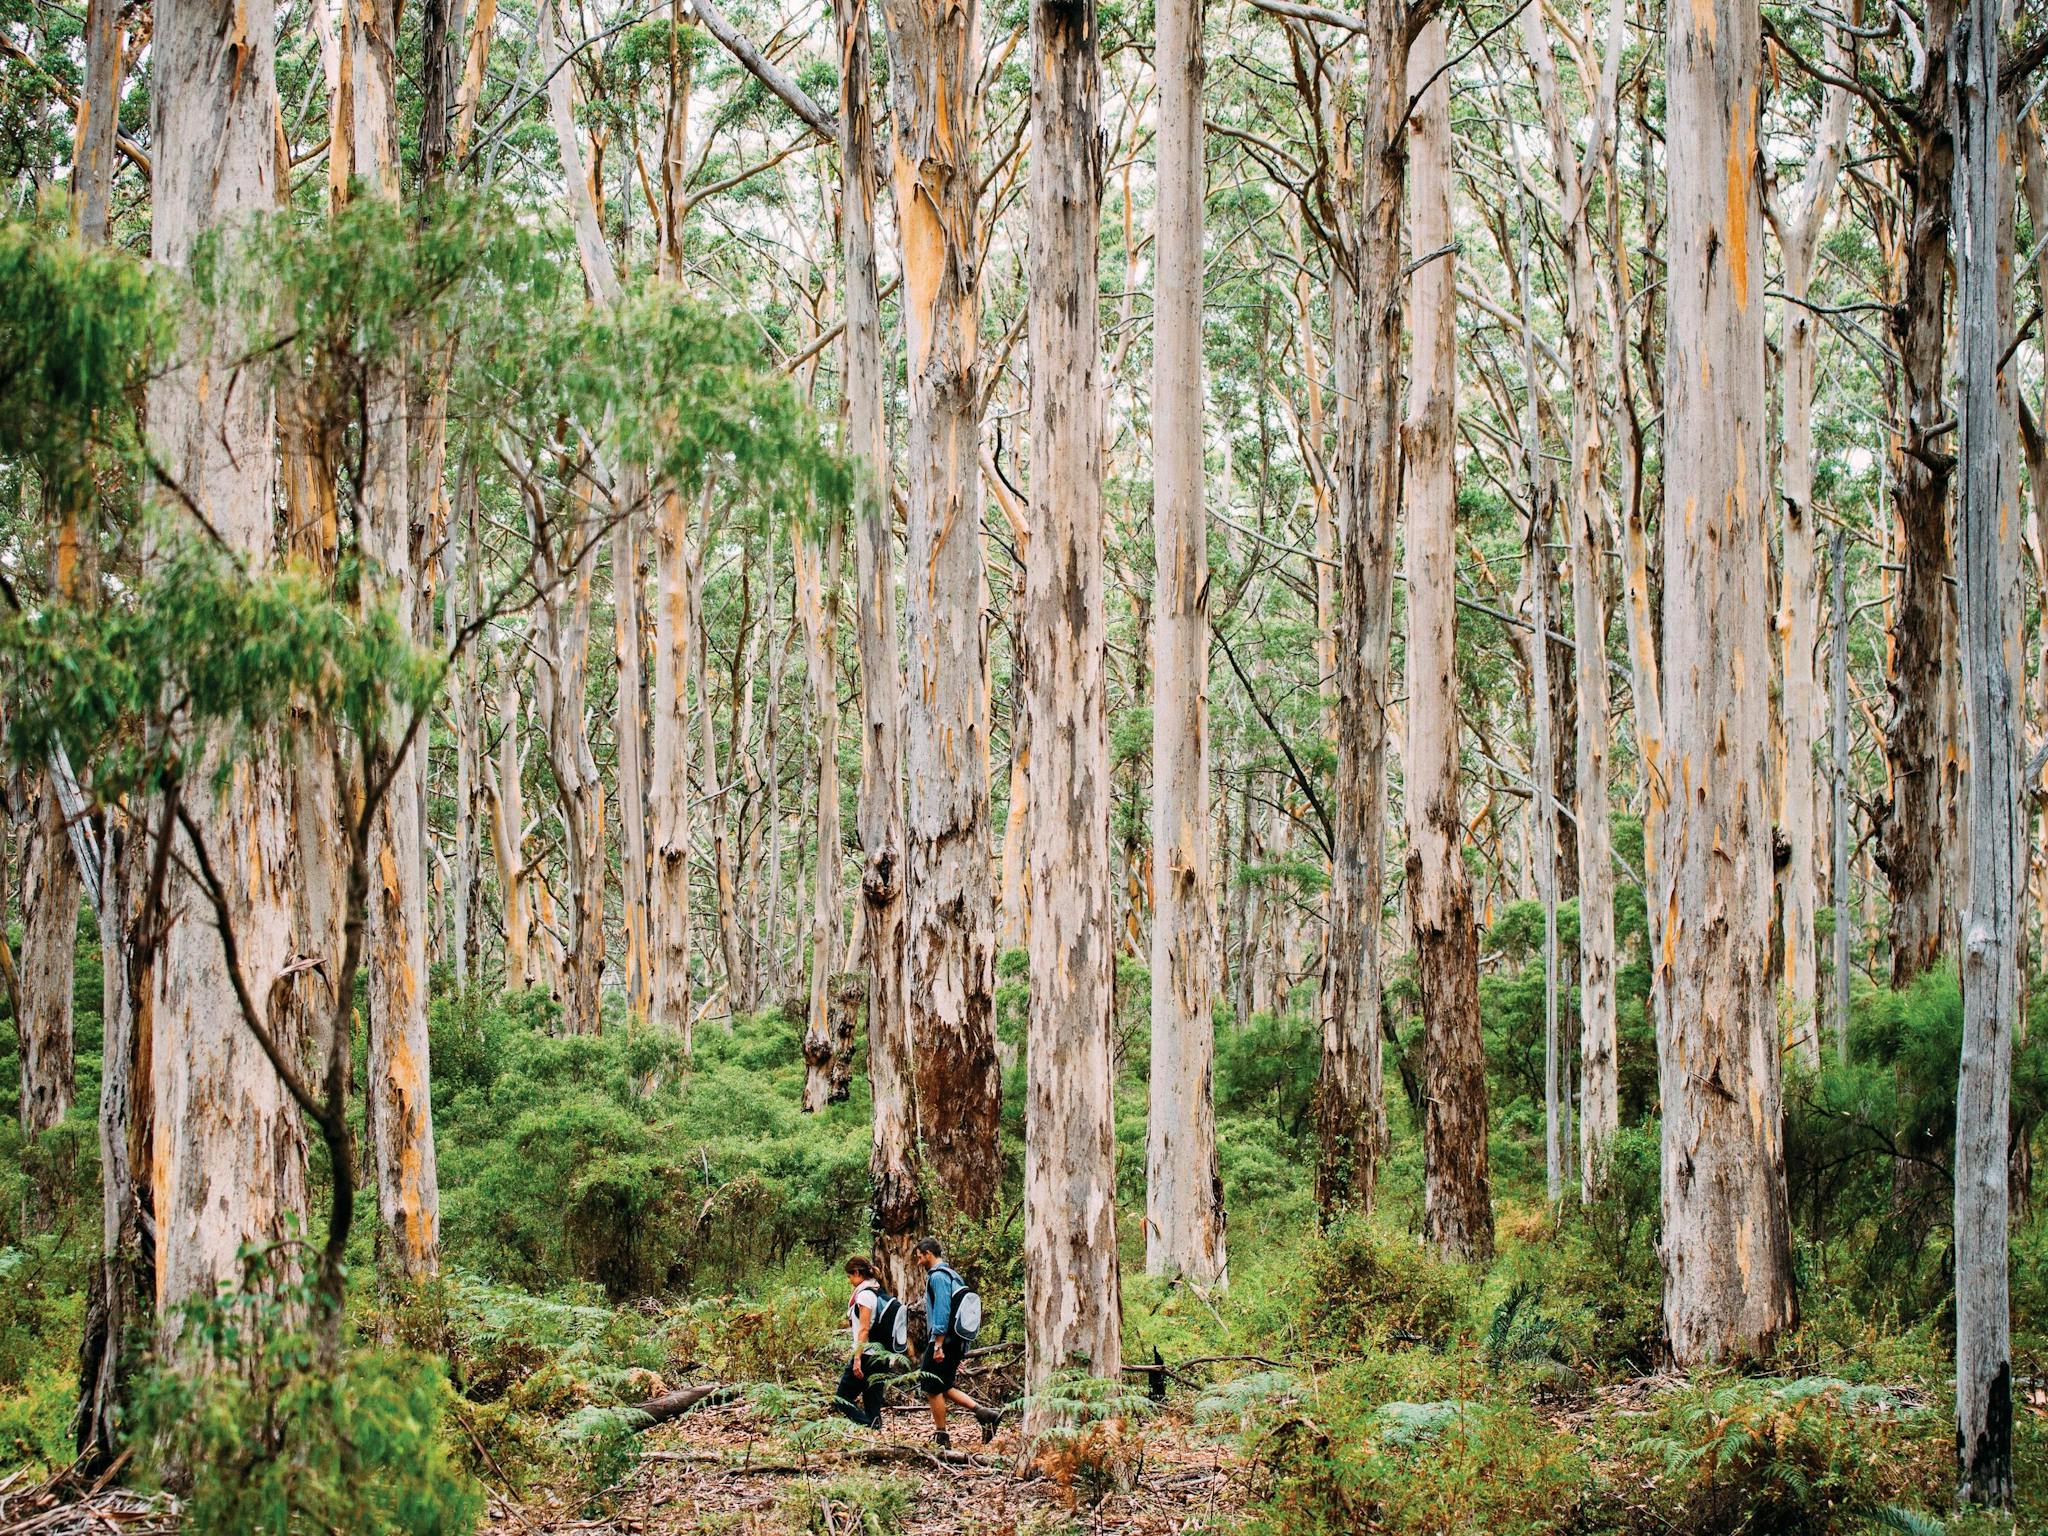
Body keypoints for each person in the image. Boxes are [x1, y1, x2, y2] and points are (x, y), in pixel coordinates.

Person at [912, 1237, 1001, 1448]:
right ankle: (985, 1415)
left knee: (931, 1386)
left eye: (919, 1257)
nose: (918, 1262)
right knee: (944, 1385)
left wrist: (938, 1344)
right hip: (956, 1341)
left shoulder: (938, 1277)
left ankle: (941, 1437)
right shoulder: (954, 1276)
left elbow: (943, 1311)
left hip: (945, 1340)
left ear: (928, 1254)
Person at [833, 1256, 889, 1427]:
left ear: (857, 1273)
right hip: (881, 1355)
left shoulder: (864, 1295)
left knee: (841, 1399)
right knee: (873, 1405)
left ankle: (869, 1428)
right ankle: (877, 1439)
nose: (849, 1280)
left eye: (850, 1276)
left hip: (866, 1355)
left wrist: (857, 1358)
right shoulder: (879, 1291)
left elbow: (864, 1329)